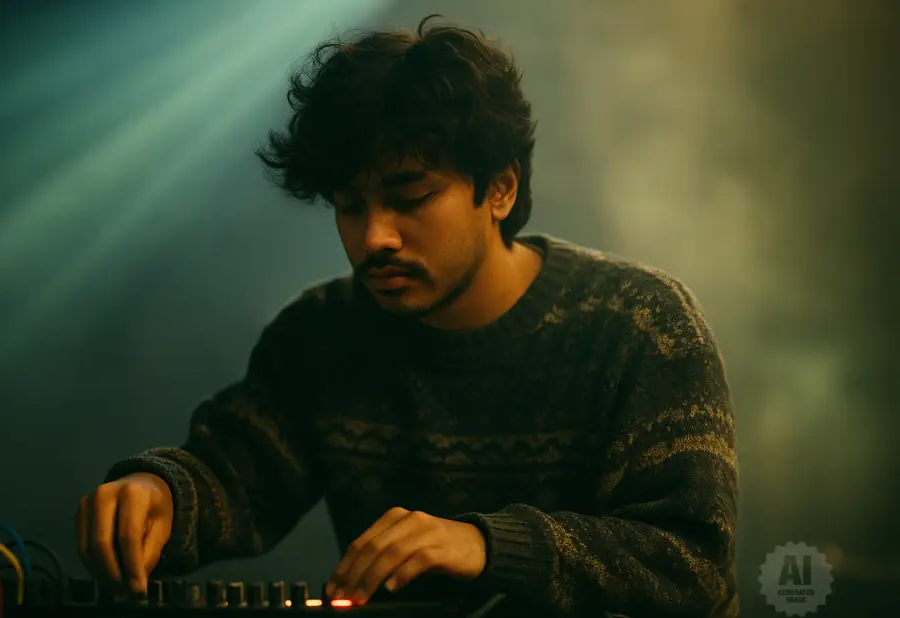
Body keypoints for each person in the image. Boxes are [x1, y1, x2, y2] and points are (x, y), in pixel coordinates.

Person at [75, 15, 739, 618]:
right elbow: (237, 475)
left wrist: (486, 544)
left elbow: (691, 564)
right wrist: (160, 493)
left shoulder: (642, 324)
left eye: (410, 197)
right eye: (349, 205)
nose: (374, 239)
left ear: (501, 188)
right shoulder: (320, 334)